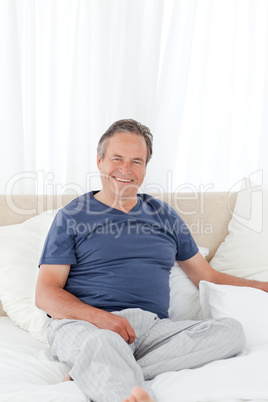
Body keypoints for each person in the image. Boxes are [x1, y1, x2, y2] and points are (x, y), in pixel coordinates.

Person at [36, 119, 268, 402]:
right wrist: (101, 319)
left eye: (136, 161)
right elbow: (45, 293)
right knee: (103, 341)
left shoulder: (164, 215)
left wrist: (261, 285)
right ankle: (126, 390)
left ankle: (95, 366)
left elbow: (207, 276)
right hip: (86, 324)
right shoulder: (71, 217)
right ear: (99, 161)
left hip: (149, 329)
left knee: (230, 331)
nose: (126, 169)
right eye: (117, 159)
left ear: (145, 168)